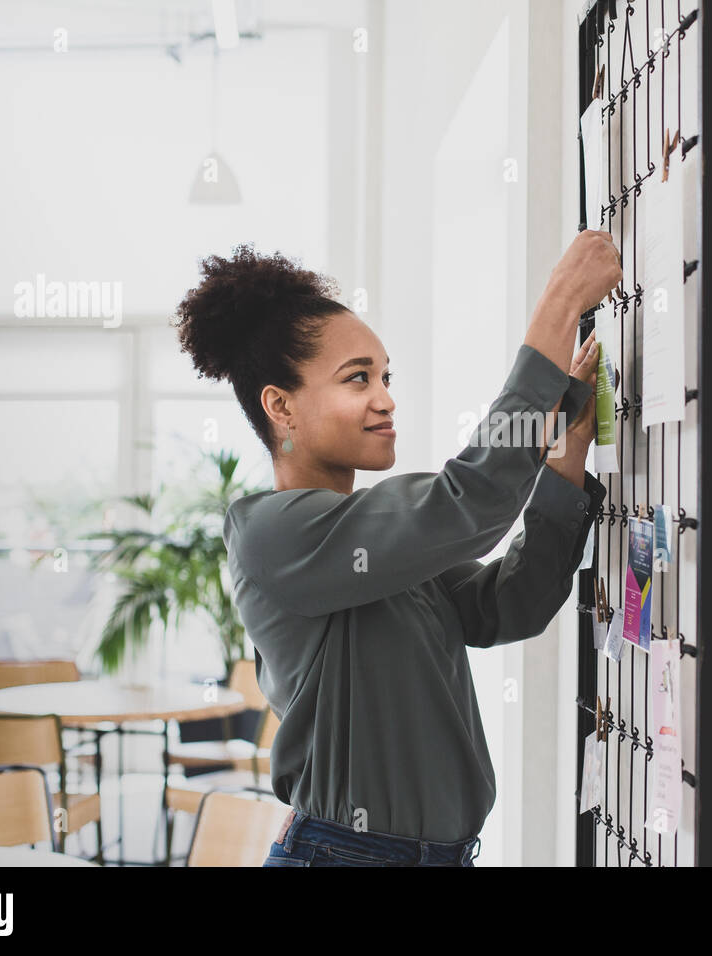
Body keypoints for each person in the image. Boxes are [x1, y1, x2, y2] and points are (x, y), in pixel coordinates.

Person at [172, 231, 622, 866]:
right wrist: (560, 302)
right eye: (358, 380)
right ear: (281, 406)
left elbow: (509, 605)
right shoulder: (272, 533)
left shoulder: (376, 545)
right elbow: (469, 501)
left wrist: (564, 460)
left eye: (385, 377)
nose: (385, 398)